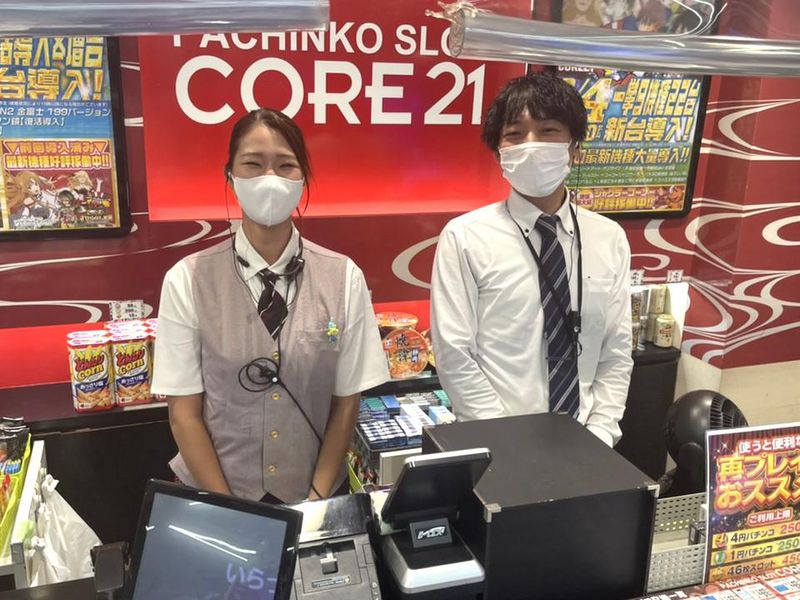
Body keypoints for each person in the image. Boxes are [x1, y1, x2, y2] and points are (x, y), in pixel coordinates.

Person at [151, 108, 389, 502]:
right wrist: (230, 509)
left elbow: (346, 402)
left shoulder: (344, 277)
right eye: (253, 164)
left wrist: (316, 500)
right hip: (219, 498)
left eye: (285, 165)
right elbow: (183, 414)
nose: (270, 178)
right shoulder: (186, 279)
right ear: (230, 176)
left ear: (303, 177)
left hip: (314, 494)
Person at [430, 74, 633, 447]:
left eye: (548, 130)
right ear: (499, 154)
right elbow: (454, 354)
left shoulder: (609, 238)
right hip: (497, 443)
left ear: (575, 148)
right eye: (515, 134)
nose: (531, 144)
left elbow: (616, 350)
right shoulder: (465, 237)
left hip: (586, 440)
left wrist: (600, 434)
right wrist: (505, 443)